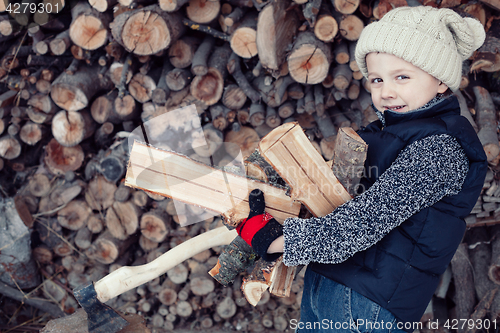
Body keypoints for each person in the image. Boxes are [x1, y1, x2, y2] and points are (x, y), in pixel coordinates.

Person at [235, 5, 488, 333]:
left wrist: (281, 241)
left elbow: (366, 221)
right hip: (333, 283)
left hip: (369, 305)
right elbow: (331, 198)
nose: (386, 91)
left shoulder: (441, 149)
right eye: (377, 79)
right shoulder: (383, 133)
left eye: (402, 77)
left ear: (440, 80)